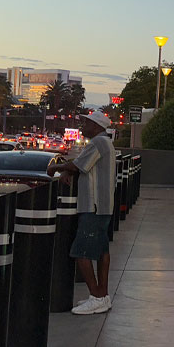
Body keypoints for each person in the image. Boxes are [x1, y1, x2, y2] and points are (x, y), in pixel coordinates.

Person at [48, 111, 116, 315]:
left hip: (93, 206)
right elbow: (80, 167)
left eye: (86, 123)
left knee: (80, 252)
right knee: (102, 251)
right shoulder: (106, 143)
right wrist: (70, 170)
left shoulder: (98, 143)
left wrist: (57, 168)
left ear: (96, 126)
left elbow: (77, 165)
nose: (82, 126)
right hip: (104, 206)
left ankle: (96, 296)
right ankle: (102, 295)